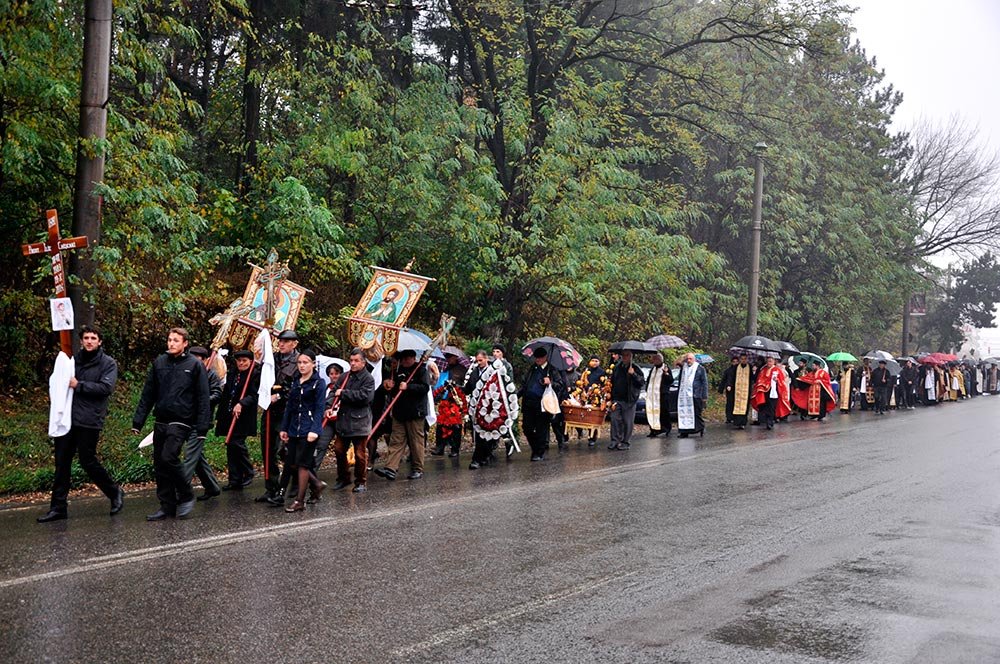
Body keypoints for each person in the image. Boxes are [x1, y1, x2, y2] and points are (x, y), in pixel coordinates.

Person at [38, 325, 125, 523]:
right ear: (82, 340)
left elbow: (105, 388)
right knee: (62, 462)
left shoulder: (108, 363)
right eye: (86, 338)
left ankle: (114, 492)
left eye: (93, 338)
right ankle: (58, 507)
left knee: (87, 460)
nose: (89, 341)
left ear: (99, 341)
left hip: (89, 419)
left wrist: (79, 385)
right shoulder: (72, 360)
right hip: (67, 418)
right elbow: (59, 380)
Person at [132, 327, 211, 521]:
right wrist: (138, 421)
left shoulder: (194, 365)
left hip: (182, 420)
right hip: (161, 419)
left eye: (176, 340)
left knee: (169, 457)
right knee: (160, 464)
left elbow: (203, 397)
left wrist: (203, 426)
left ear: (185, 344)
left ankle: (185, 493)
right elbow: (148, 393)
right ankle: (166, 506)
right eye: (169, 340)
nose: (172, 343)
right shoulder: (160, 362)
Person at [279, 350, 327, 512]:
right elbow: (289, 407)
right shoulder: (296, 381)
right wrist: (284, 428)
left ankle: (300, 500)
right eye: (299, 363)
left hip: (309, 429)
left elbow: (320, 407)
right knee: (292, 462)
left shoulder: (318, 383)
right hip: (294, 428)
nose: (302, 366)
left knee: (303, 464)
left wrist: (315, 429)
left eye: (305, 362)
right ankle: (317, 484)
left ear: (313, 364)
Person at [257, 329, 300, 504]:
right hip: (270, 410)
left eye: (286, 341)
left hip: (287, 412)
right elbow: (263, 378)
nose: (281, 344)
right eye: (280, 341)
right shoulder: (272, 359)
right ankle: (271, 486)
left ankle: (298, 483)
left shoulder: (299, 362)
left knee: (287, 451)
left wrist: (280, 396)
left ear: (294, 343)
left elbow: (296, 387)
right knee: (267, 449)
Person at [374, 349, 431, 480]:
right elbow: (391, 391)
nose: (405, 360)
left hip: (415, 412)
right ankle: (391, 468)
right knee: (396, 440)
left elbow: (425, 388)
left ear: (414, 358)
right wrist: (387, 385)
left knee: (416, 441)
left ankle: (417, 468)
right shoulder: (396, 371)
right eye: (403, 358)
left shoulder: (421, 370)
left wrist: (409, 387)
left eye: (408, 358)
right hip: (399, 412)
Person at [214, 349, 260, 491]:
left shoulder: (254, 375)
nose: (241, 363)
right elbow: (227, 392)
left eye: (244, 360)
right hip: (229, 414)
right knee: (230, 446)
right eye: (239, 360)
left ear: (250, 362)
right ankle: (234, 479)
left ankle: (248, 471)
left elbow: (254, 395)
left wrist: (241, 403)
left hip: (243, 416)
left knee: (236, 442)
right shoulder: (233, 374)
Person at [332, 349, 376, 492]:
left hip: (360, 422)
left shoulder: (368, 379)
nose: (353, 363)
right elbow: (334, 393)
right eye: (351, 360)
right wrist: (329, 406)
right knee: (339, 450)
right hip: (344, 420)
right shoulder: (344, 377)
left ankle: (361, 481)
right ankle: (344, 477)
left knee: (359, 454)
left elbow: (365, 397)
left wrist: (344, 394)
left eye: (356, 361)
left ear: (363, 362)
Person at [518, 347, 565, 461]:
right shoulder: (532, 368)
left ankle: (539, 452)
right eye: (536, 358)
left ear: (545, 358)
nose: (537, 360)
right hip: (529, 403)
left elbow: (560, 385)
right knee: (527, 428)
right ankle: (536, 447)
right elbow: (525, 384)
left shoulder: (552, 370)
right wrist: (516, 395)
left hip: (543, 404)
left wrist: (551, 382)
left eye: (540, 358)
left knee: (541, 429)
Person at [607, 350, 645, 451]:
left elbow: (641, 382)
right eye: (623, 355)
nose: (625, 357)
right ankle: (615, 440)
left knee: (627, 422)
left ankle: (625, 442)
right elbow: (612, 382)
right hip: (617, 398)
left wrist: (633, 375)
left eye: (627, 355)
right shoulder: (617, 367)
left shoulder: (636, 368)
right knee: (614, 419)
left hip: (629, 400)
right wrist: (610, 397)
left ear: (631, 356)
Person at [314, 362, 345, 473]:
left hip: (341, 421)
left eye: (336, 373)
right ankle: (312, 472)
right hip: (328, 421)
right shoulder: (326, 388)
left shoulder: (345, 387)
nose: (334, 376)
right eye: (331, 374)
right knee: (321, 444)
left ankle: (343, 474)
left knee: (340, 448)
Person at [751, 356, 791, 430]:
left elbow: (782, 382)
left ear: (774, 362)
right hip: (764, 392)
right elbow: (759, 379)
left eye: (770, 361)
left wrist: (777, 380)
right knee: (765, 407)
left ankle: (770, 422)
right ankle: (766, 421)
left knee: (771, 407)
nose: (769, 363)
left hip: (773, 392)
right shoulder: (763, 370)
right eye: (768, 361)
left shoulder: (777, 370)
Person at [575, 356, 606, 445]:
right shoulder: (586, 371)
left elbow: (603, 384)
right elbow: (581, 381)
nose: (594, 362)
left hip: (595, 396)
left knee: (592, 417)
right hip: (584, 395)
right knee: (581, 414)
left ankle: (592, 437)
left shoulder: (601, 372)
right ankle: (580, 431)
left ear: (599, 362)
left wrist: (596, 391)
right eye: (593, 360)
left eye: (596, 361)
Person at [676, 352, 708, 438]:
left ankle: (701, 428)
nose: (689, 360)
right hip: (684, 395)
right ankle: (684, 432)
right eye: (688, 359)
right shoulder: (684, 368)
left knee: (696, 413)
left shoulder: (700, 368)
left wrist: (704, 396)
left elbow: (704, 382)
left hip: (695, 394)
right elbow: (680, 380)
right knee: (684, 413)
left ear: (694, 359)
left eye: (690, 359)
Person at [645, 352, 674, 437]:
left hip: (662, 395)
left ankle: (665, 429)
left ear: (659, 360)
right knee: (652, 412)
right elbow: (649, 380)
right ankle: (653, 430)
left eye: (654, 359)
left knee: (663, 413)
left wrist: (666, 374)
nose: (653, 361)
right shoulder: (653, 369)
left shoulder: (665, 368)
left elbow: (670, 380)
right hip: (652, 395)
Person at [721, 353, 753, 429]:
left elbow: (753, 378)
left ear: (747, 359)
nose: (743, 360)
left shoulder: (750, 367)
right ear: (740, 360)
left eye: (745, 359)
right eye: (742, 359)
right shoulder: (735, 367)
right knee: (736, 405)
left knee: (745, 407)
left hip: (746, 390)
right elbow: (730, 377)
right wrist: (729, 385)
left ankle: (743, 423)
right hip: (737, 391)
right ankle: (737, 422)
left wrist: (754, 372)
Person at [719, 356, 740, 424]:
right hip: (730, 389)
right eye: (734, 362)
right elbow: (724, 379)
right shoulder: (728, 370)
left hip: (738, 389)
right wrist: (721, 389)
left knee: (736, 403)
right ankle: (729, 417)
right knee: (729, 403)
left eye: (737, 362)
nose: (735, 363)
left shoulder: (740, 371)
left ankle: (735, 417)